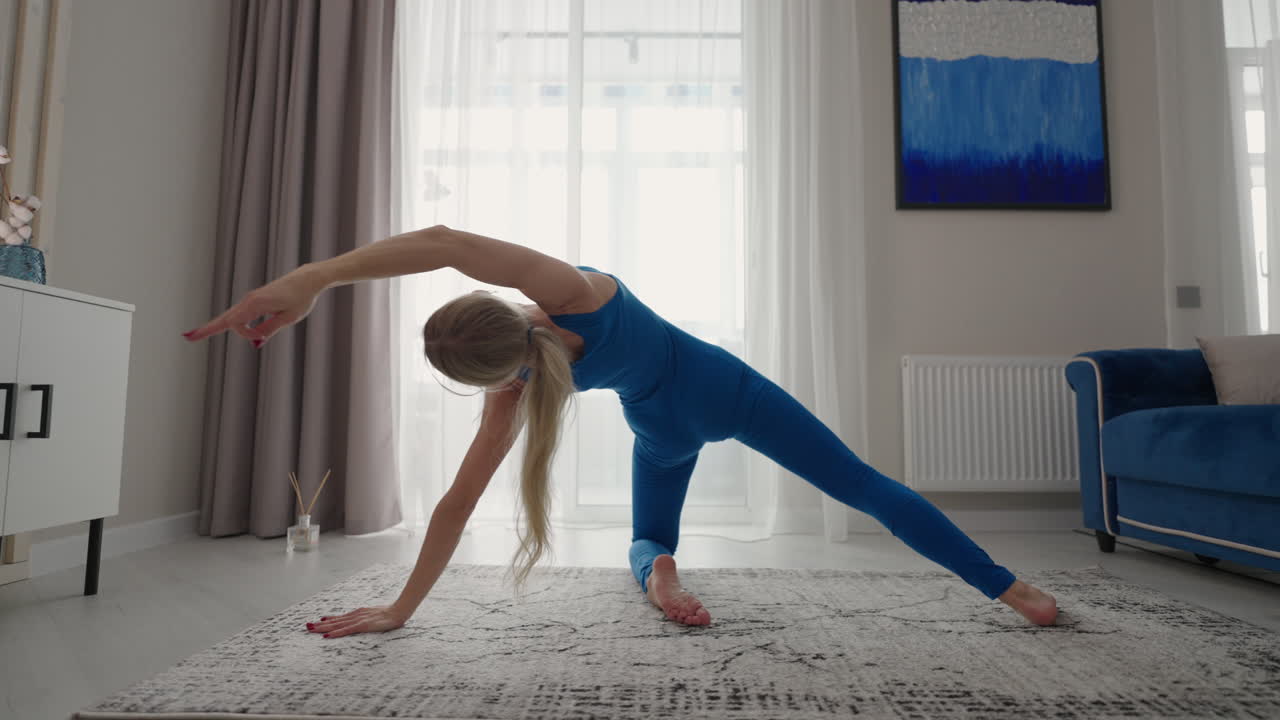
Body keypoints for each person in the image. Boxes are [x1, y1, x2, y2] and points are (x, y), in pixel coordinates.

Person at [184, 225, 1059, 639]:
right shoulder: (575, 293)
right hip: (723, 389)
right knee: (862, 485)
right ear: (496, 309)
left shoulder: (513, 395)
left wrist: (400, 610)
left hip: (660, 427)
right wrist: (315, 278)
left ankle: (659, 565)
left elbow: (453, 506)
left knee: (646, 533)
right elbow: (448, 242)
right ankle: (1010, 589)